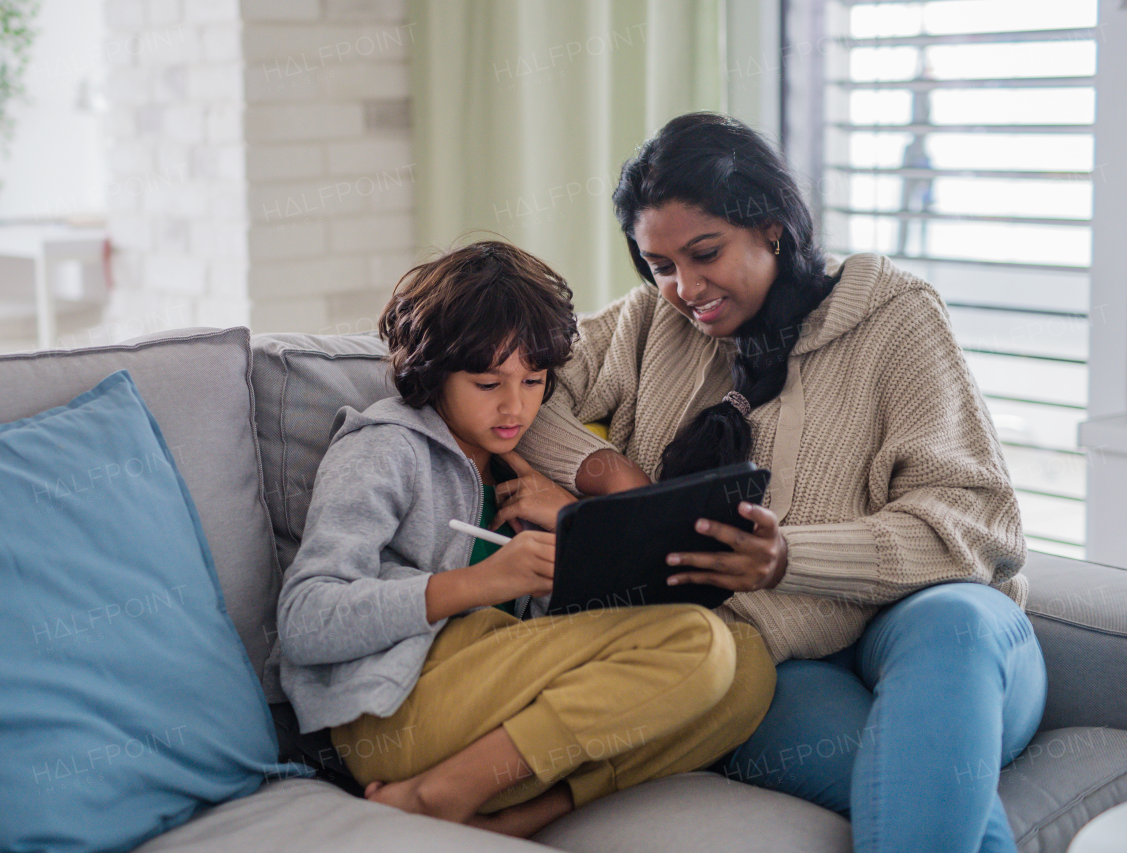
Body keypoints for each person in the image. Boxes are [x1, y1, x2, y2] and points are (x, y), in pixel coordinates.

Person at [512, 113, 1048, 853]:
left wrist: (790, 556)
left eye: (704, 253)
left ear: (770, 227)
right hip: (783, 658)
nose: (683, 288)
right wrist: (610, 475)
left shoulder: (895, 317)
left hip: (941, 634)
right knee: (916, 783)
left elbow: (976, 522)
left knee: (951, 623)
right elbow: (519, 393)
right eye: (659, 265)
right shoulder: (648, 325)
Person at [277, 240, 776, 838]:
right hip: (398, 710)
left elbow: (567, 642)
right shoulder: (384, 449)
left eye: (534, 380)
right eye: (488, 383)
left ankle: (522, 814)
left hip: (500, 709)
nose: (516, 406)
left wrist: (575, 537)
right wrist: (482, 582)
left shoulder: (521, 468)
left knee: (746, 662)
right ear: (432, 372)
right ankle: (442, 793)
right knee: (697, 644)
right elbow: (305, 619)